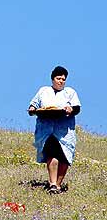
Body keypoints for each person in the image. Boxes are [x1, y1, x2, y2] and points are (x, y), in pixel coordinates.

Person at [27, 66, 81, 194]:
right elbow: (33, 105)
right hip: (46, 129)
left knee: (64, 158)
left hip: (64, 131)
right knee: (52, 154)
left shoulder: (70, 92)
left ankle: (58, 184)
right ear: (52, 79)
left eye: (63, 79)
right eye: (58, 78)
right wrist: (32, 109)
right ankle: (52, 184)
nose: (61, 81)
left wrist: (71, 109)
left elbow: (77, 108)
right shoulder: (43, 91)